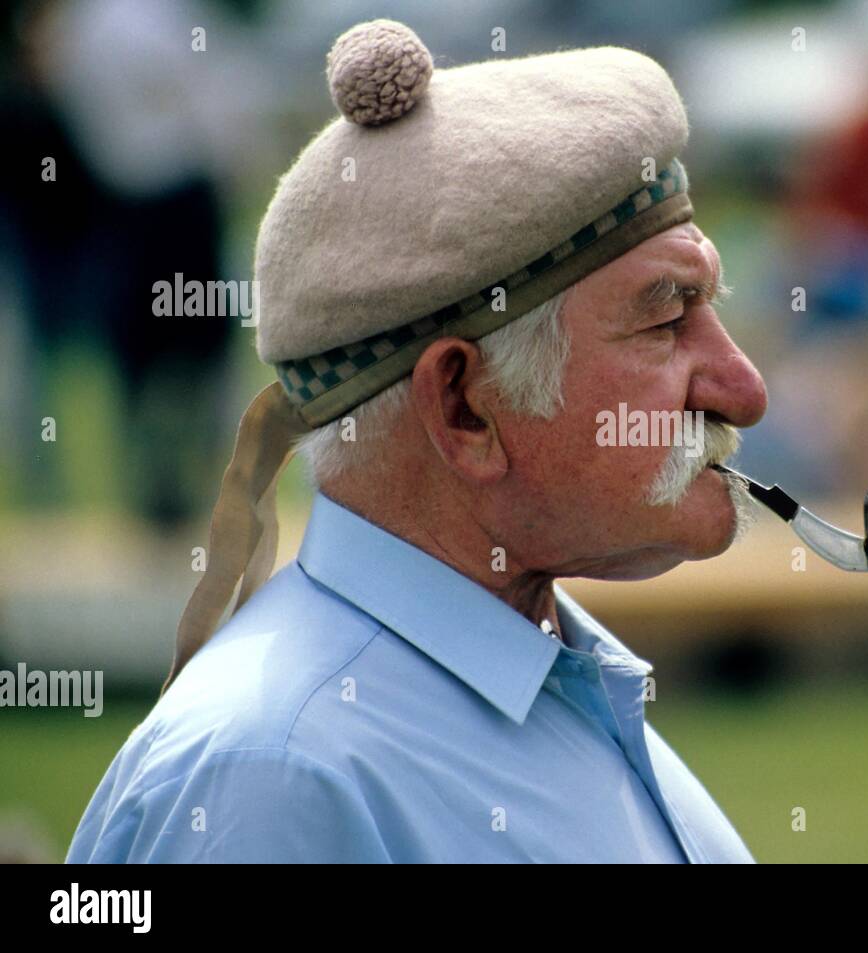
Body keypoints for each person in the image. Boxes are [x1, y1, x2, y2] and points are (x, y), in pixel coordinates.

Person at [67, 20, 767, 863]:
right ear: (463, 407)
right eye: (665, 316)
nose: (744, 389)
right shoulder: (276, 781)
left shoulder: (560, 687)